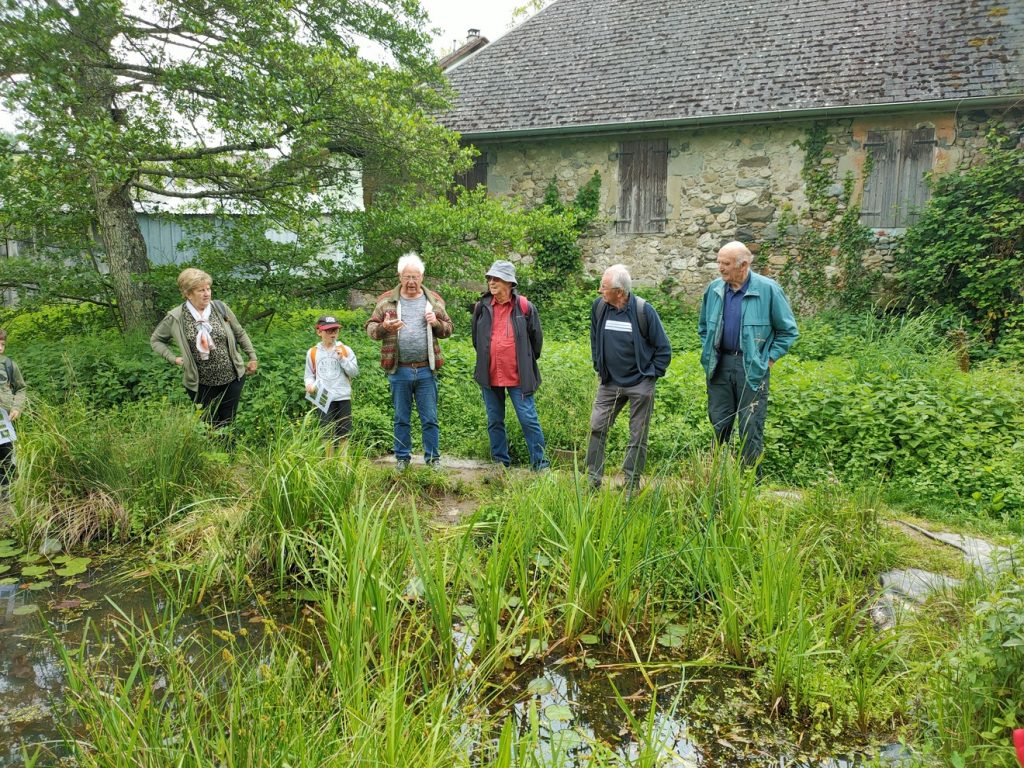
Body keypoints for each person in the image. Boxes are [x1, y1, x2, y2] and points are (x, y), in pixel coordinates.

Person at [698, 241, 799, 469]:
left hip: (751, 367)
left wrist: (768, 359)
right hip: (719, 364)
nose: (720, 268)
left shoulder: (768, 289)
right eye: (719, 262)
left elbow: (788, 331)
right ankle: (716, 475)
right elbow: (704, 327)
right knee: (719, 421)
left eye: (726, 263)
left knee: (750, 424)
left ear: (743, 265)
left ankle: (749, 481)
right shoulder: (714, 289)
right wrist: (709, 350)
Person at [586, 264, 672, 490]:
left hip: (639, 384)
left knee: (637, 436)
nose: (599, 291)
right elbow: (595, 339)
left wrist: (649, 378)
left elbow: (664, 349)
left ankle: (631, 484)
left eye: (603, 287)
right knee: (597, 427)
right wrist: (599, 365)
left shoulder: (644, 311)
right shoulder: (599, 308)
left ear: (620, 292)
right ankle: (592, 481)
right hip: (609, 383)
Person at [365, 252, 453, 470]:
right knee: (401, 418)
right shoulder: (386, 301)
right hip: (399, 370)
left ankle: (433, 459)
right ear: (399, 277)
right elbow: (371, 330)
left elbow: (449, 329)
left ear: (422, 277)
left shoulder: (433, 300)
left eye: (415, 277)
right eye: (407, 277)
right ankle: (402, 459)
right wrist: (385, 327)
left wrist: (436, 324)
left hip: (426, 370)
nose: (411, 282)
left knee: (430, 418)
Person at [151, 268, 258, 429]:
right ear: (188, 294)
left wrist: (252, 357)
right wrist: (173, 358)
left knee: (228, 421)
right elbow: (156, 340)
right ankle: (212, 452)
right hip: (200, 384)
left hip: (232, 377)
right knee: (208, 424)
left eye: (208, 288)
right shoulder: (176, 317)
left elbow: (239, 332)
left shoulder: (220, 308)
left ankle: (229, 452)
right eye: (201, 290)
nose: (207, 293)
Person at [471, 260, 549, 471]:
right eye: (490, 278)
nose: (491, 282)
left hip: (518, 376)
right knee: (494, 420)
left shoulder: (524, 307)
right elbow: (476, 341)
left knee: (528, 419)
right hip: (490, 375)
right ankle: (500, 463)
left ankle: (540, 465)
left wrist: (522, 361)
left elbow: (536, 342)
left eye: (496, 278)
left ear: (509, 283)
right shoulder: (482, 307)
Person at [304, 315, 359, 455]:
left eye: (335, 330)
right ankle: (329, 463)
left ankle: (343, 464)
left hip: (342, 395)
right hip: (322, 395)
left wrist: (343, 359)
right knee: (326, 432)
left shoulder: (346, 350)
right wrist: (309, 384)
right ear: (319, 332)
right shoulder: (312, 352)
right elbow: (309, 374)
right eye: (328, 330)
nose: (333, 333)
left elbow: (354, 372)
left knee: (344, 433)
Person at [0, 328, 27, 500]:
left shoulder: (9, 364)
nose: (0, 347)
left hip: (5, 419)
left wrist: (17, 407)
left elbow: (21, 388)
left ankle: (6, 492)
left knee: (7, 454)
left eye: (2, 344)